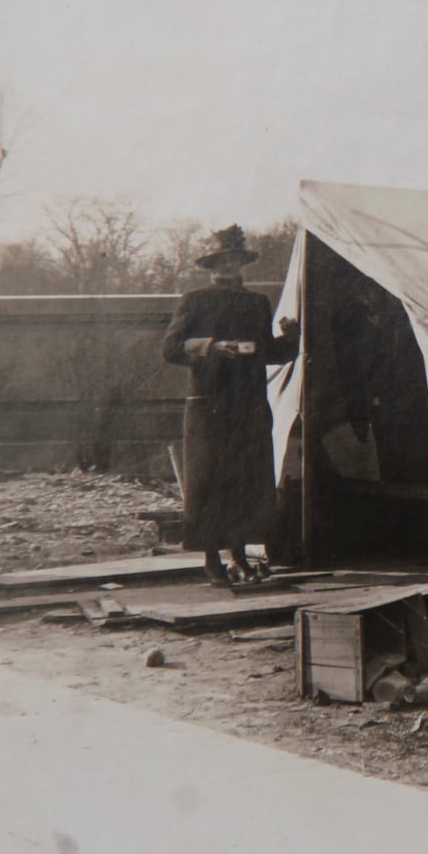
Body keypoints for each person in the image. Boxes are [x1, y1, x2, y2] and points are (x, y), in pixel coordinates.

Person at [162, 225, 301, 586]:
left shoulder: (257, 304)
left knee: (246, 479)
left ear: (243, 263)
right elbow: (171, 349)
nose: (228, 266)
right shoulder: (193, 300)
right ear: (212, 265)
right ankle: (212, 560)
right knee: (208, 481)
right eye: (222, 260)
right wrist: (210, 347)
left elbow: (269, 353)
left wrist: (292, 337)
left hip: (249, 406)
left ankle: (239, 555)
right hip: (209, 407)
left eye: (234, 260)